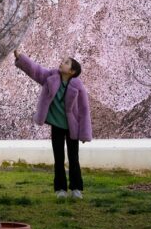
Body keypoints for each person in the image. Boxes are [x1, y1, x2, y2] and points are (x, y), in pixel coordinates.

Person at [13, 49, 92, 200]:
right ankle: (60, 189)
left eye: (66, 62)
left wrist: (84, 133)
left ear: (72, 71)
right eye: (63, 61)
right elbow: (35, 70)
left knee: (73, 158)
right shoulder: (51, 77)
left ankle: (76, 189)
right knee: (59, 157)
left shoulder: (78, 86)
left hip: (72, 128)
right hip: (57, 126)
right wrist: (21, 58)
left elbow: (84, 110)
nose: (62, 63)